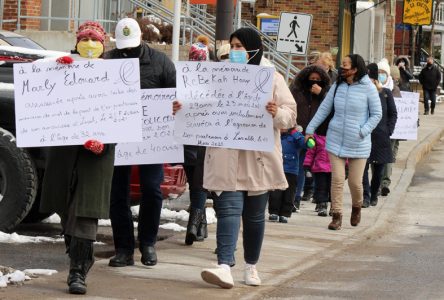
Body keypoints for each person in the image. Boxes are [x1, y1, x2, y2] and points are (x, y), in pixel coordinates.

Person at [173, 27, 296, 288]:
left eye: (240, 46)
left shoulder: (271, 77)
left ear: (254, 47)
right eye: (233, 46)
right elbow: (198, 104)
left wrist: (276, 113)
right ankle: (224, 265)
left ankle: (251, 266)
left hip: (257, 158)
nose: (236, 51)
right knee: (227, 210)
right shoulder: (219, 74)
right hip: (225, 155)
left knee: (253, 216)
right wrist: (182, 108)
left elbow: (291, 114)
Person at [39, 21, 113, 295]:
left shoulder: (115, 74)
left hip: (95, 158)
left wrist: (105, 142)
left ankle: (78, 272)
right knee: (66, 211)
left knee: (84, 215)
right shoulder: (61, 67)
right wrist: (55, 71)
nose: (90, 43)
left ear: (104, 43)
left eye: (95, 38)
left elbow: (123, 115)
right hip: (64, 155)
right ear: (77, 40)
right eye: (86, 38)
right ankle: (76, 251)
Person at [105, 18, 176, 267]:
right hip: (118, 139)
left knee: (152, 189)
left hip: (151, 139)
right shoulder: (107, 60)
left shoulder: (160, 63)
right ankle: (123, 248)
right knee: (117, 193)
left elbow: (175, 94)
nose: (127, 52)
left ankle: (147, 243)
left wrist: (175, 107)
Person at [305, 54, 382, 230]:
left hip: (358, 142)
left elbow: (377, 114)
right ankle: (336, 215)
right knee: (337, 179)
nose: (341, 68)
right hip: (335, 139)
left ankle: (357, 207)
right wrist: (310, 129)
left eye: (345, 65)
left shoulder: (368, 88)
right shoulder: (337, 86)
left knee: (355, 182)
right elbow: (324, 109)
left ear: (355, 69)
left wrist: (363, 131)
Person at [289, 65, 332, 212]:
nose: (314, 81)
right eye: (312, 79)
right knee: (293, 167)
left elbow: (332, 108)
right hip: (296, 132)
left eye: (318, 79)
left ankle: (306, 198)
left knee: (312, 168)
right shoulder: (296, 90)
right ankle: (291, 198)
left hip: (316, 135)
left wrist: (321, 94)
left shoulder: (326, 93)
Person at [183, 37, 210, 245]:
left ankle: (196, 224)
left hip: (195, 139)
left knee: (196, 183)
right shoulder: (210, 79)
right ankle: (197, 224)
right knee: (198, 184)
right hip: (195, 139)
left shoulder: (182, 78)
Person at [362, 63, 397, 208]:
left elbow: (393, 114)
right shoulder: (361, 92)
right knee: (362, 168)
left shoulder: (385, 93)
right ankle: (365, 196)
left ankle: (374, 191)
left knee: (378, 171)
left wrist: (388, 130)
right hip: (364, 136)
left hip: (381, 137)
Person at [268, 126, 305, 223]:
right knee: (275, 192)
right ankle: (274, 212)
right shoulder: (275, 135)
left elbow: (306, 144)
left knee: (290, 193)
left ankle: (285, 213)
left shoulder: (295, 136)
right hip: (277, 168)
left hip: (292, 170)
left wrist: (294, 132)